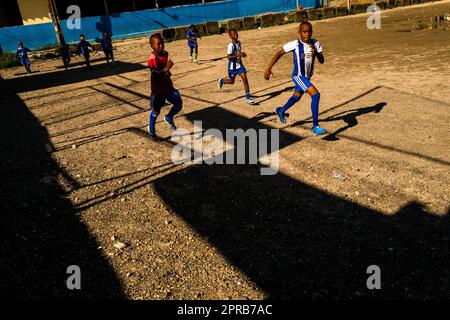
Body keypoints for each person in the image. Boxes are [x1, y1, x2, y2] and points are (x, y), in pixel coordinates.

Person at [264, 21, 327, 135]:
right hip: (298, 76)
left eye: (309, 31)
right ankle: (315, 126)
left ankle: (281, 110)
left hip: (307, 77)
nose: (307, 34)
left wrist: (316, 52)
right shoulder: (295, 44)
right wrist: (268, 68)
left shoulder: (315, 43)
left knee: (296, 97)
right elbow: (279, 53)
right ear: (299, 32)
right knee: (316, 95)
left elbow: (322, 61)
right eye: (304, 32)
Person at [147, 33, 183, 140]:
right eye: (158, 44)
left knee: (178, 104)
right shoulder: (152, 59)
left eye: (162, 43)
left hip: (168, 86)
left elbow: (167, 67)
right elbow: (157, 75)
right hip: (158, 90)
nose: (161, 46)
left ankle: (168, 117)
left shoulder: (165, 53)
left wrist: (166, 71)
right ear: (152, 46)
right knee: (156, 111)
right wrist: (166, 69)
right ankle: (152, 130)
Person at [217, 29, 255, 105]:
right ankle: (222, 81)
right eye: (234, 34)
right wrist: (239, 55)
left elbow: (238, 53)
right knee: (232, 82)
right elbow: (229, 57)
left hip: (240, 65)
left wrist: (242, 54)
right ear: (230, 36)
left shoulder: (239, 43)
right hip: (232, 67)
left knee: (245, 79)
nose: (236, 34)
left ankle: (248, 97)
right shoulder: (230, 45)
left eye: (236, 33)